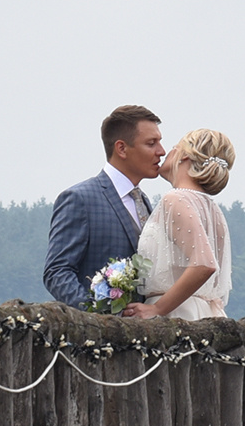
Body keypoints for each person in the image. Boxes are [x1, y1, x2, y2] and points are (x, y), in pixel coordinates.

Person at [44, 105, 164, 308]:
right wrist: (95, 316)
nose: (161, 151)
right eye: (151, 143)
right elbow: (57, 271)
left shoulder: (143, 201)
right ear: (122, 148)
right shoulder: (79, 199)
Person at [125, 129, 236, 320]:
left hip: (176, 314)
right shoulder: (211, 209)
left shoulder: (176, 199)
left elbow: (204, 264)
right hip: (203, 311)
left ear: (184, 155)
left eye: (174, 148)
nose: (165, 153)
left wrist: (158, 309)